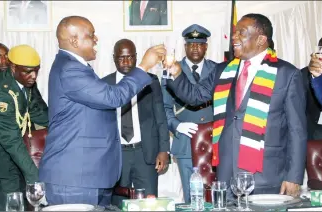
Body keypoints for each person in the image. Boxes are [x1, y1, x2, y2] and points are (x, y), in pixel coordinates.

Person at [165, 13, 307, 197]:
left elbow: (297, 131)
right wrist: (176, 72)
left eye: (241, 32)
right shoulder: (223, 70)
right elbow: (194, 96)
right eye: (234, 32)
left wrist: (294, 177)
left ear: (261, 40)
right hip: (227, 174)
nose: (234, 37)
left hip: (266, 176)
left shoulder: (287, 74)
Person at [38, 16, 166, 206]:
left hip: (90, 176)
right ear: (74, 40)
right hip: (74, 180)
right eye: (91, 35)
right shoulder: (69, 69)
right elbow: (114, 98)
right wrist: (144, 66)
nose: (96, 39)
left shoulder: (79, 68)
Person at [103, 39, 170, 208]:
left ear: (136, 57)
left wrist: (164, 150)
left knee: (148, 204)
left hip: (145, 153)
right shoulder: (104, 84)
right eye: (121, 58)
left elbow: (160, 117)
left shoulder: (151, 81)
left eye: (130, 57)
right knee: (117, 204)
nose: (126, 62)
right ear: (114, 58)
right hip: (117, 155)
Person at [0, 44, 48, 211]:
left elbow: (38, 113)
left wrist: (68, 127)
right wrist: (35, 178)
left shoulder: (23, 82)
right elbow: (11, 141)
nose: (33, 76)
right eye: (28, 71)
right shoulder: (2, 95)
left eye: (36, 70)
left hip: (12, 161)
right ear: (13, 67)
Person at [161, 24, 217, 203]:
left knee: (215, 196)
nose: (195, 47)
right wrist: (177, 126)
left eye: (199, 44)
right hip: (186, 142)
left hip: (214, 141)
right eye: (191, 44)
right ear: (185, 46)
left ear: (206, 47)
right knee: (192, 198)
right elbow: (164, 108)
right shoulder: (171, 70)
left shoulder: (217, 70)